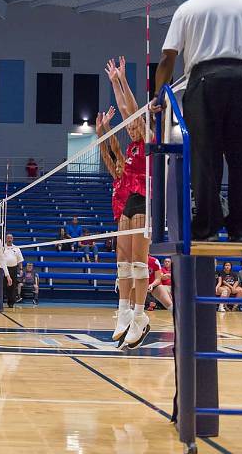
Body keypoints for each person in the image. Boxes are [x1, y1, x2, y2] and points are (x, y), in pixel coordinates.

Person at [153, 0, 242, 242]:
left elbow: (168, 57)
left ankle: (207, 228)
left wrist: (159, 95)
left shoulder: (189, 8)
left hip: (204, 81)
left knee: (205, 157)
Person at [97, 56, 151, 349]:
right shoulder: (130, 148)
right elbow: (124, 112)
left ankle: (140, 315)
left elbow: (131, 109)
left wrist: (122, 80)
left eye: (134, 125)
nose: (131, 128)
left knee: (140, 265)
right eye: (128, 127)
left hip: (145, 201)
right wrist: (113, 83)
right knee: (125, 265)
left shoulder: (148, 139)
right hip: (128, 203)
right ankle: (125, 312)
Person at [3, 233, 24, 308]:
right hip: (4, 269)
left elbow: (20, 260)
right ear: (6, 239)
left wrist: (21, 269)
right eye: (8, 238)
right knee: (3, 285)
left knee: (12, 286)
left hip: (13, 269)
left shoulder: (16, 248)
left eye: (10, 238)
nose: (9, 239)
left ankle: (11, 302)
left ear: (12, 239)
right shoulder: (2, 248)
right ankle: (0, 301)